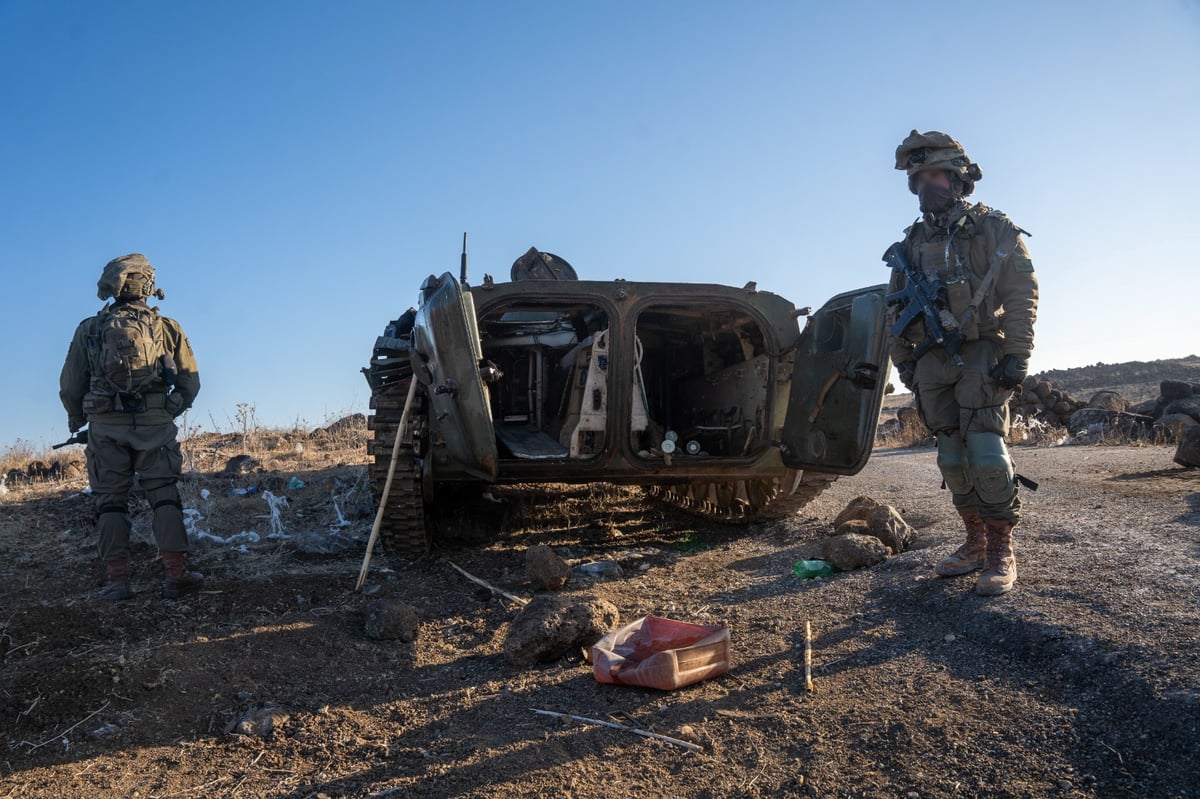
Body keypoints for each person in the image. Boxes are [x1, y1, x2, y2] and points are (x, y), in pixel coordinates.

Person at [886, 131, 1038, 595]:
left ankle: (999, 550)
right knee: (952, 458)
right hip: (932, 361)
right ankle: (973, 542)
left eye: (934, 174)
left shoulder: (993, 228)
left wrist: (1017, 354)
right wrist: (904, 363)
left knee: (988, 455)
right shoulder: (909, 243)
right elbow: (894, 309)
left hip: (981, 353)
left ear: (957, 179)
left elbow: (1020, 295)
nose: (926, 184)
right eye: (919, 178)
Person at [59, 254, 204, 600]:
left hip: (105, 427)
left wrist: (80, 420)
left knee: (110, 503)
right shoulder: (168, 328)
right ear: (147, 286)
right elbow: (190, 382)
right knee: (165, 498)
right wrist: (169, 408)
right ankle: (176, 575)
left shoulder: (90, 329)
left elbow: (69, 387)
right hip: (155, 424)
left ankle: (118, 582)